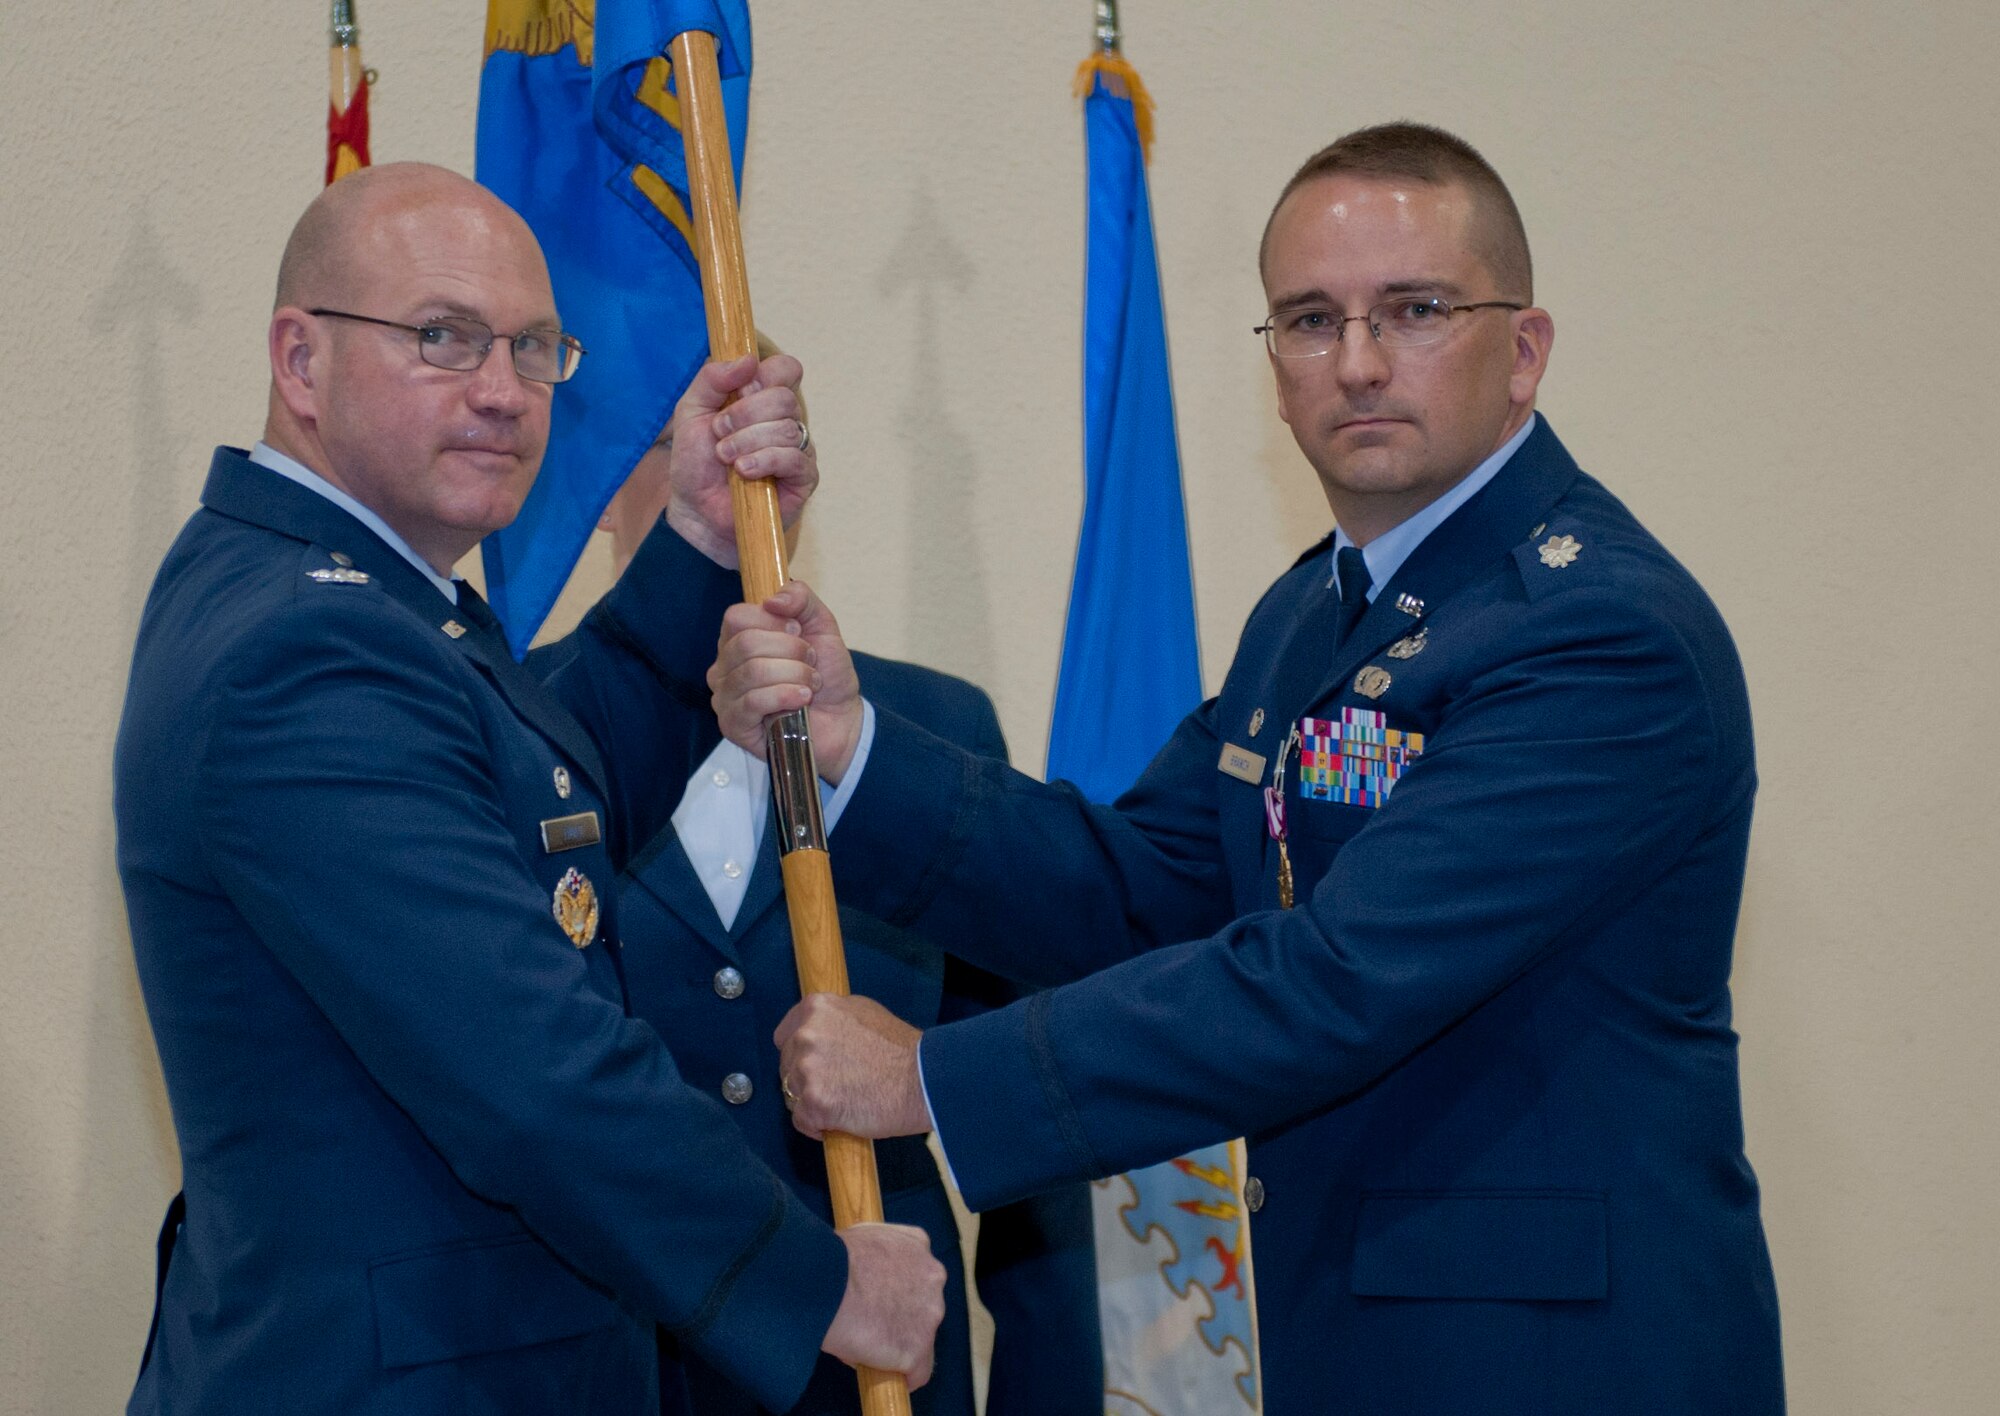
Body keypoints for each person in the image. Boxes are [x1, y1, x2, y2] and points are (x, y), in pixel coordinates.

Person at [709, 124, 1785, 1413]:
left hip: (1553, 1366)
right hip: (1353, 1343)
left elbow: (1334, 980)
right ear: (1272, 364)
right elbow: (1148, 888)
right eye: (1309, 321)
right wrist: (849, 748)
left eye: (1415, 310)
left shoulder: (1600, 637)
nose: (1360, 362)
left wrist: (932, 1080)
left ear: (1525, 349)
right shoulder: (1316, 614)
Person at [112, 162, 943, 1416]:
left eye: (535, 348)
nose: (502, 394)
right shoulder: (309, 647)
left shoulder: (354, 598)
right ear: (299, 361)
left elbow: (545, 788)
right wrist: (816, 1283)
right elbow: (532, 1076)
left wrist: (705, 541)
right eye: (441, 339)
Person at [590, 401, 1103, 1416]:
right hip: (637, 1374)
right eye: (689, 442)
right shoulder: (527, 728)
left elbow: (1028, 1130)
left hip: (887, 1386)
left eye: (759, 445)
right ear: (604, 482)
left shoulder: (928, 733)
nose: (730, 477)